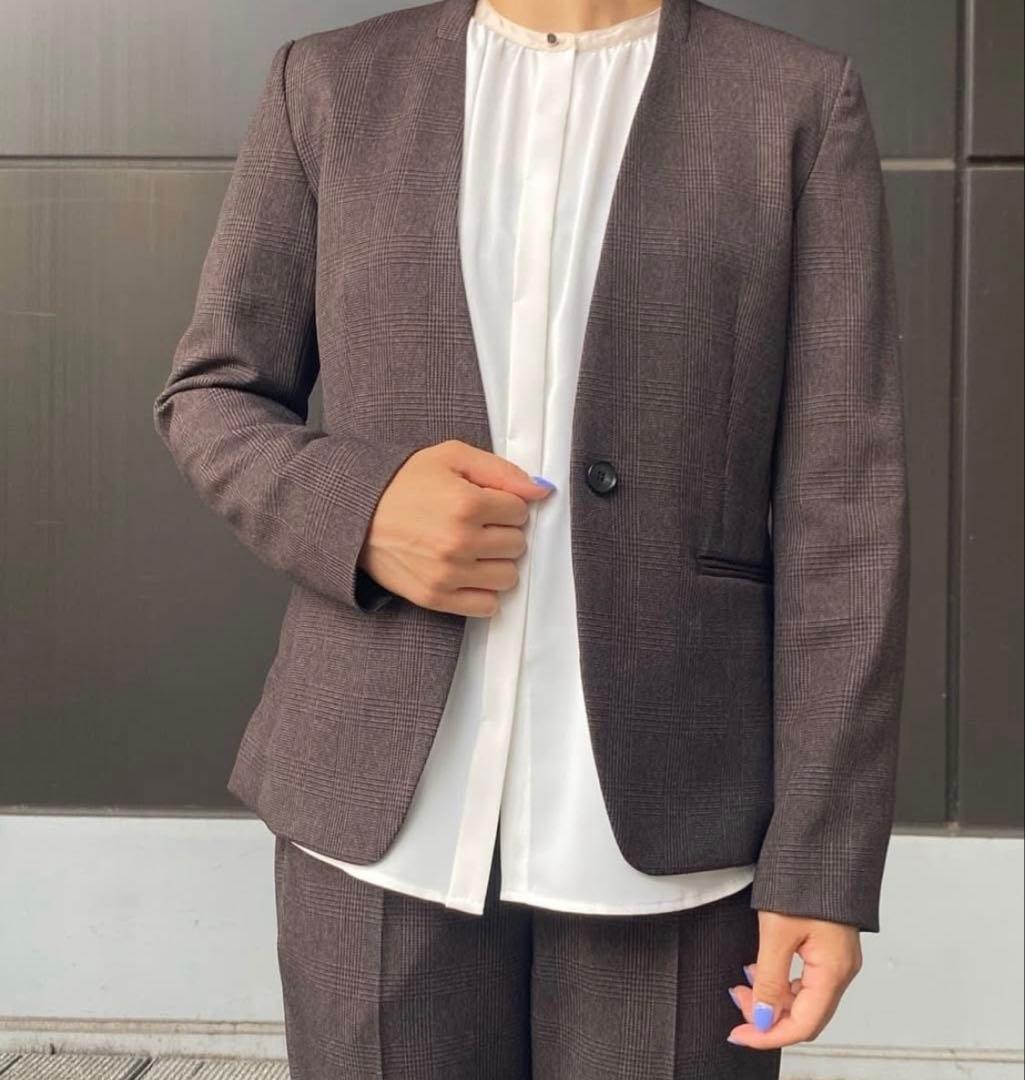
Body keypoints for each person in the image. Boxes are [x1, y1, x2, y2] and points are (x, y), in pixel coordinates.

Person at [153, 0, 910, 1076]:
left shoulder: (794, 102)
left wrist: (821, 862)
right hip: (372, 806)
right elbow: (211, 392)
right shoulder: (326, 87)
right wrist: (361, 510)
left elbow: (846, 506)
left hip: (682, 818)